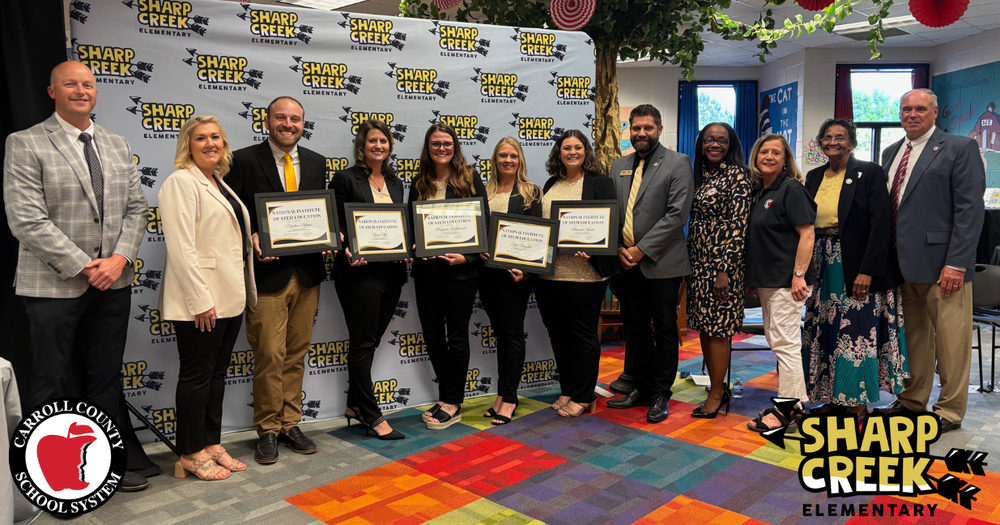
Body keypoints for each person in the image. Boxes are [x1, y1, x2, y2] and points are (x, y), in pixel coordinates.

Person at [3, 61, 149, 492]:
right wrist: (87, 266)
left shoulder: (116, 143)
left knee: (105, 379)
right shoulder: (26, 142)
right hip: (53, 283)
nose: (81, 90)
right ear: (52, 91)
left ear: (96, 91)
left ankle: (105, 470)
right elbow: (26, 219)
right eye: (71, 84)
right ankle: (47, 481)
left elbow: (136, 209)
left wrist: (120, 259)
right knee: (50, 381)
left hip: (114, 281)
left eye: (88, 84)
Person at [873, 89, 985, 433]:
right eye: (906, 109)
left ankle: (950, 410)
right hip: (902, 265)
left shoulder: (958, 148)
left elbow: (969, 210)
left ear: (934, 113)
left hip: (943, 266)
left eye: (920, 109)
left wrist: (958, 263)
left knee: (952, 341)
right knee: (914, 339)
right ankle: (912, 400)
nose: (912, 114)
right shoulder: (892, 152)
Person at [227, 96, 329, 463]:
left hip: (307, 274)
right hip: (267, 273)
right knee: (270, 353)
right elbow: (229, 211)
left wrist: (330, 235)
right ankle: (267, 427)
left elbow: (320, 213)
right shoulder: (241, 160)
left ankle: (290, 423)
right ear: (267, 121)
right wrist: (249, 236)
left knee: (297, 352)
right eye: (281, 118)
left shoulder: (317, 163)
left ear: (304, 124)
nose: (288, 124)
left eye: (296, 119)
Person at [159, 116, 256, 480]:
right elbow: (181, 247)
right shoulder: (180, 182)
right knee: (197, 376)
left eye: (216, 136)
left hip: (230, 296)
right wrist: (200, 300)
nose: (210, 143)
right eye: (201, 138)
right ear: (188, 144)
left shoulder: (219, 182)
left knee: (217, 375)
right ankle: (189, 452)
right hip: (201, 301)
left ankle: (212, 444)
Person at [802, 119, 907, 421]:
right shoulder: (813, 176)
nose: (833, 141)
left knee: (855, 332)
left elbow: (881, 224)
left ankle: (857, 402)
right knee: (828, 332)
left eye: (840, 137)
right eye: (827, 137)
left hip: (855, 266)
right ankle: (835, 396)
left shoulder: (869, 172)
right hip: (823, 263)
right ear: (820, 141)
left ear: (852, 142)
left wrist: (868, 271)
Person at [605, 105, 693, 424]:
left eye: (648, 128)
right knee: (636, 329)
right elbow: (612, 212)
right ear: (629, 130)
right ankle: (640, 387)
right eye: (636, 128)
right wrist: (616, 248)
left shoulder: (678, 162)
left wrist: (640, 250)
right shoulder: (618, 166)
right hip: (624, 265)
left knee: (666, 329)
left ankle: (660, 393)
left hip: (661, 264)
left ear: (659, 129)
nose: (642, 133)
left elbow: (676, 215)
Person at [409, 123, 490, 430]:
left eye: (446, 143)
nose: (441, 148)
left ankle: (453, 401)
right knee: (432, 336)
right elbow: (410, 225)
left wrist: (467, 256)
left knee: (456, 337)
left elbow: (484, 221)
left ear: (455, 147)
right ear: (427, 148)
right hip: (427, 272)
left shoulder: (469, 177)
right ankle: (447, 396)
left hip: (460, 272)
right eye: (435, 143)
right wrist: (418, 248)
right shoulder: (419, 182)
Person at [330, 120, 406, 440]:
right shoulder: (346, 178)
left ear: (390, 146)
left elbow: (402, 223)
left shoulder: (395, 181)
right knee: (362, 343)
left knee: (370, 342)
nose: (378, 145)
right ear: (362, 145)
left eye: (384, 141)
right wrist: (347, 247)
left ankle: (354, 405)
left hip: (392, 273)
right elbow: (333, 222)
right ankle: (372, 415)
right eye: (372, 140)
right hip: (359, 273)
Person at [537, 130, 619, 418]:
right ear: (558, 152)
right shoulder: (551, 183)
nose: (572, 152)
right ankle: (569, 388)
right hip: (549, 275)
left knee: (583, 336)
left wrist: (594, 248)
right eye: (566, 148)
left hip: (585, 275)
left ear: (586, 151)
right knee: (558, 335)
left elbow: (611, 223)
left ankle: (585, 395)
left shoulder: (600, 182)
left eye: (578, 147)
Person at [744, 134, 816, 432]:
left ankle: (788, 409)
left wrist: (799, 275)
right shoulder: (760, 191)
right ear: (756, 157)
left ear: (785, 159)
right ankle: (794, 404)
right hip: (768, 281)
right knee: (779, 342)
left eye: (776, 153)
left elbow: (808, 234)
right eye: (764, 152)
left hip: (788, 282)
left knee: (786, 345)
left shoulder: (791, 189)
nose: (769, 157)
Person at [686, 122, 752, 419]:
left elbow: (738, 226)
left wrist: (724, 270)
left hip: (722, 267)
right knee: (703, 327)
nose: (715, 144)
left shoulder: (737, 175)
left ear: (731, 144)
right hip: (698, 265)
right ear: (701, 143)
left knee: (718, 331)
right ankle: (716, 385)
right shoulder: (702, 175)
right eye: (710, 140)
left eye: (722, 140)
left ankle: (716, 393)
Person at [478, 137, 542, 425]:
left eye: (513, 156)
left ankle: (511, 397)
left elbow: (537, 237)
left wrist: (526, 272)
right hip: (486, 274)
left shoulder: (531, 192)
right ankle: (502, 395)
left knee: (513, 335)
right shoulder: (484, 190)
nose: (508, 160)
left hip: (514, 277)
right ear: (495, 159)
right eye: (502, 155)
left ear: (520, 160)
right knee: (501, 335)